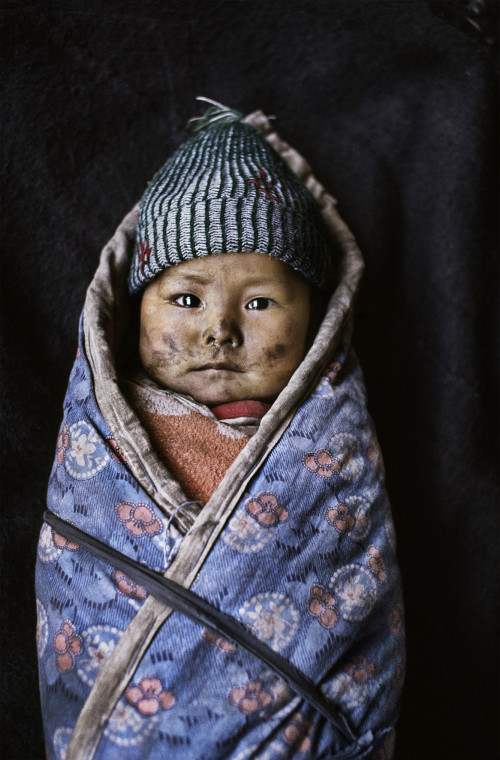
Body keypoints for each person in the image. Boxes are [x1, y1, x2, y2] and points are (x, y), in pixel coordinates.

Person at [36, 99, 405, 760]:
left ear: (314, 318)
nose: (219, 330)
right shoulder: (109, 424)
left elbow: (355, 581)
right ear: (131, 307)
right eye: (186, 298)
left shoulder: (330, 435)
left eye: (260, 302)